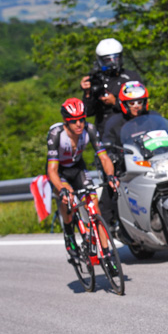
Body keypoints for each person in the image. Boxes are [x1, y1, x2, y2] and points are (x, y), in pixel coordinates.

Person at [47, 98, 119, 272]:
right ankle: (69, 234)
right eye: (74, 121)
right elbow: (52, 169)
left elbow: (104, 157)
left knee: (94, 206)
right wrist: (62, 189)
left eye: (82, 119)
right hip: (61, 171)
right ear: (66, 120)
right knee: (68, 199)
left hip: (78, 169)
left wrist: (110, 176)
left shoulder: (90, 130)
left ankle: (107, 255)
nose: (79, 124)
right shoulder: (56, 134)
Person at [99, 81, 158, 231]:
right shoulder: (114, 123)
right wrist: (112, 155)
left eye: (139, 102)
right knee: (110, 190)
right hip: (126, 168)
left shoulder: (154, 118)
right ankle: (108, 228)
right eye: (132, 103)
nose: (136, 106)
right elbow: (106, 146)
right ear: (124, 104)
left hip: (153, 164)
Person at [80, 38, 143, 135]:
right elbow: (88, 112)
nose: (112, 63)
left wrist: (115, 102)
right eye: (107, 60)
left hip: (130, 130)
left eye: (116, 58)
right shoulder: (97, 79)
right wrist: (87, 93)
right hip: (105, 133)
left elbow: (140, 107)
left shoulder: (131, 78)